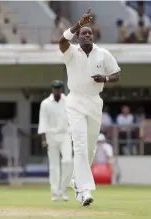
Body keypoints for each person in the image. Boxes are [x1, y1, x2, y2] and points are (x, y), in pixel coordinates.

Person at [58, 8, 121, 206]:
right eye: (83, 33)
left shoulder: (103, 54)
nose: (87, 35)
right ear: (78, 37)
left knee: (91, 148)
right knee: (80, 145)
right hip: (75, 101)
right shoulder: (70, 53)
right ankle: (85, 191)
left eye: (90, 33)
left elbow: (117, 74)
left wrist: (106, 78)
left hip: (94, 101)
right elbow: (61, 41)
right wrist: (78, 22)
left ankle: (77, 182)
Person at [38, 80, 73, 202]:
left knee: (68, 161)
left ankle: (63, 188)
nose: (57, 90)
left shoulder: (68, 101)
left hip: (65, 135)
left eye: (59, 88)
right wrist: (43, 139)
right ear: (52, 89)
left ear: (62, 89)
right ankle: (54, 192)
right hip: (51, 135)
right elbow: (43, 121)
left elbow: (73, 119)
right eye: (55, 88)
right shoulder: (46, 103)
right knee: (54, 166)